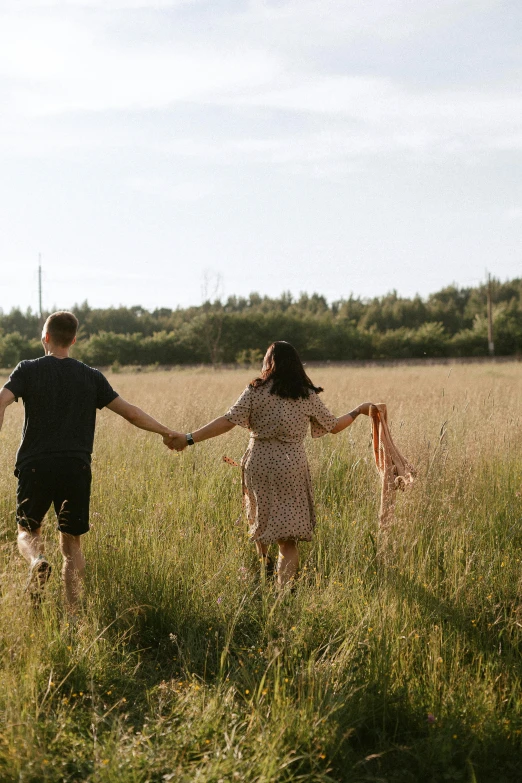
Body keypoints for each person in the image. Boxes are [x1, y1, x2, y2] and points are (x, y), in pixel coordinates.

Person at [0, 311, 179, 612]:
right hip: (76, 467)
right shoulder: (91, 376)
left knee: (27, 531)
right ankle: (73, 613)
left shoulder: (27, 369)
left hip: (35, 465)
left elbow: (1, 400)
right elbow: (131, 412)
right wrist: (167, 432)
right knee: (72, 546)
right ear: (73, 339)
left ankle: (37, 561)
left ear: (45, 337)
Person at [167, 341, 372, 588]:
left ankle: (264, 565)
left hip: (259, 462)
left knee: (259, 516)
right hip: (291, 465)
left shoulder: (256, 390)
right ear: (296, 364)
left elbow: (227, 420)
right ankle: (282, 593)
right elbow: (334, 426)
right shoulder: (305, 394)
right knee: (288, 538)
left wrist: (189, 439)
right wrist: (359, 410)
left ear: (268, 362)